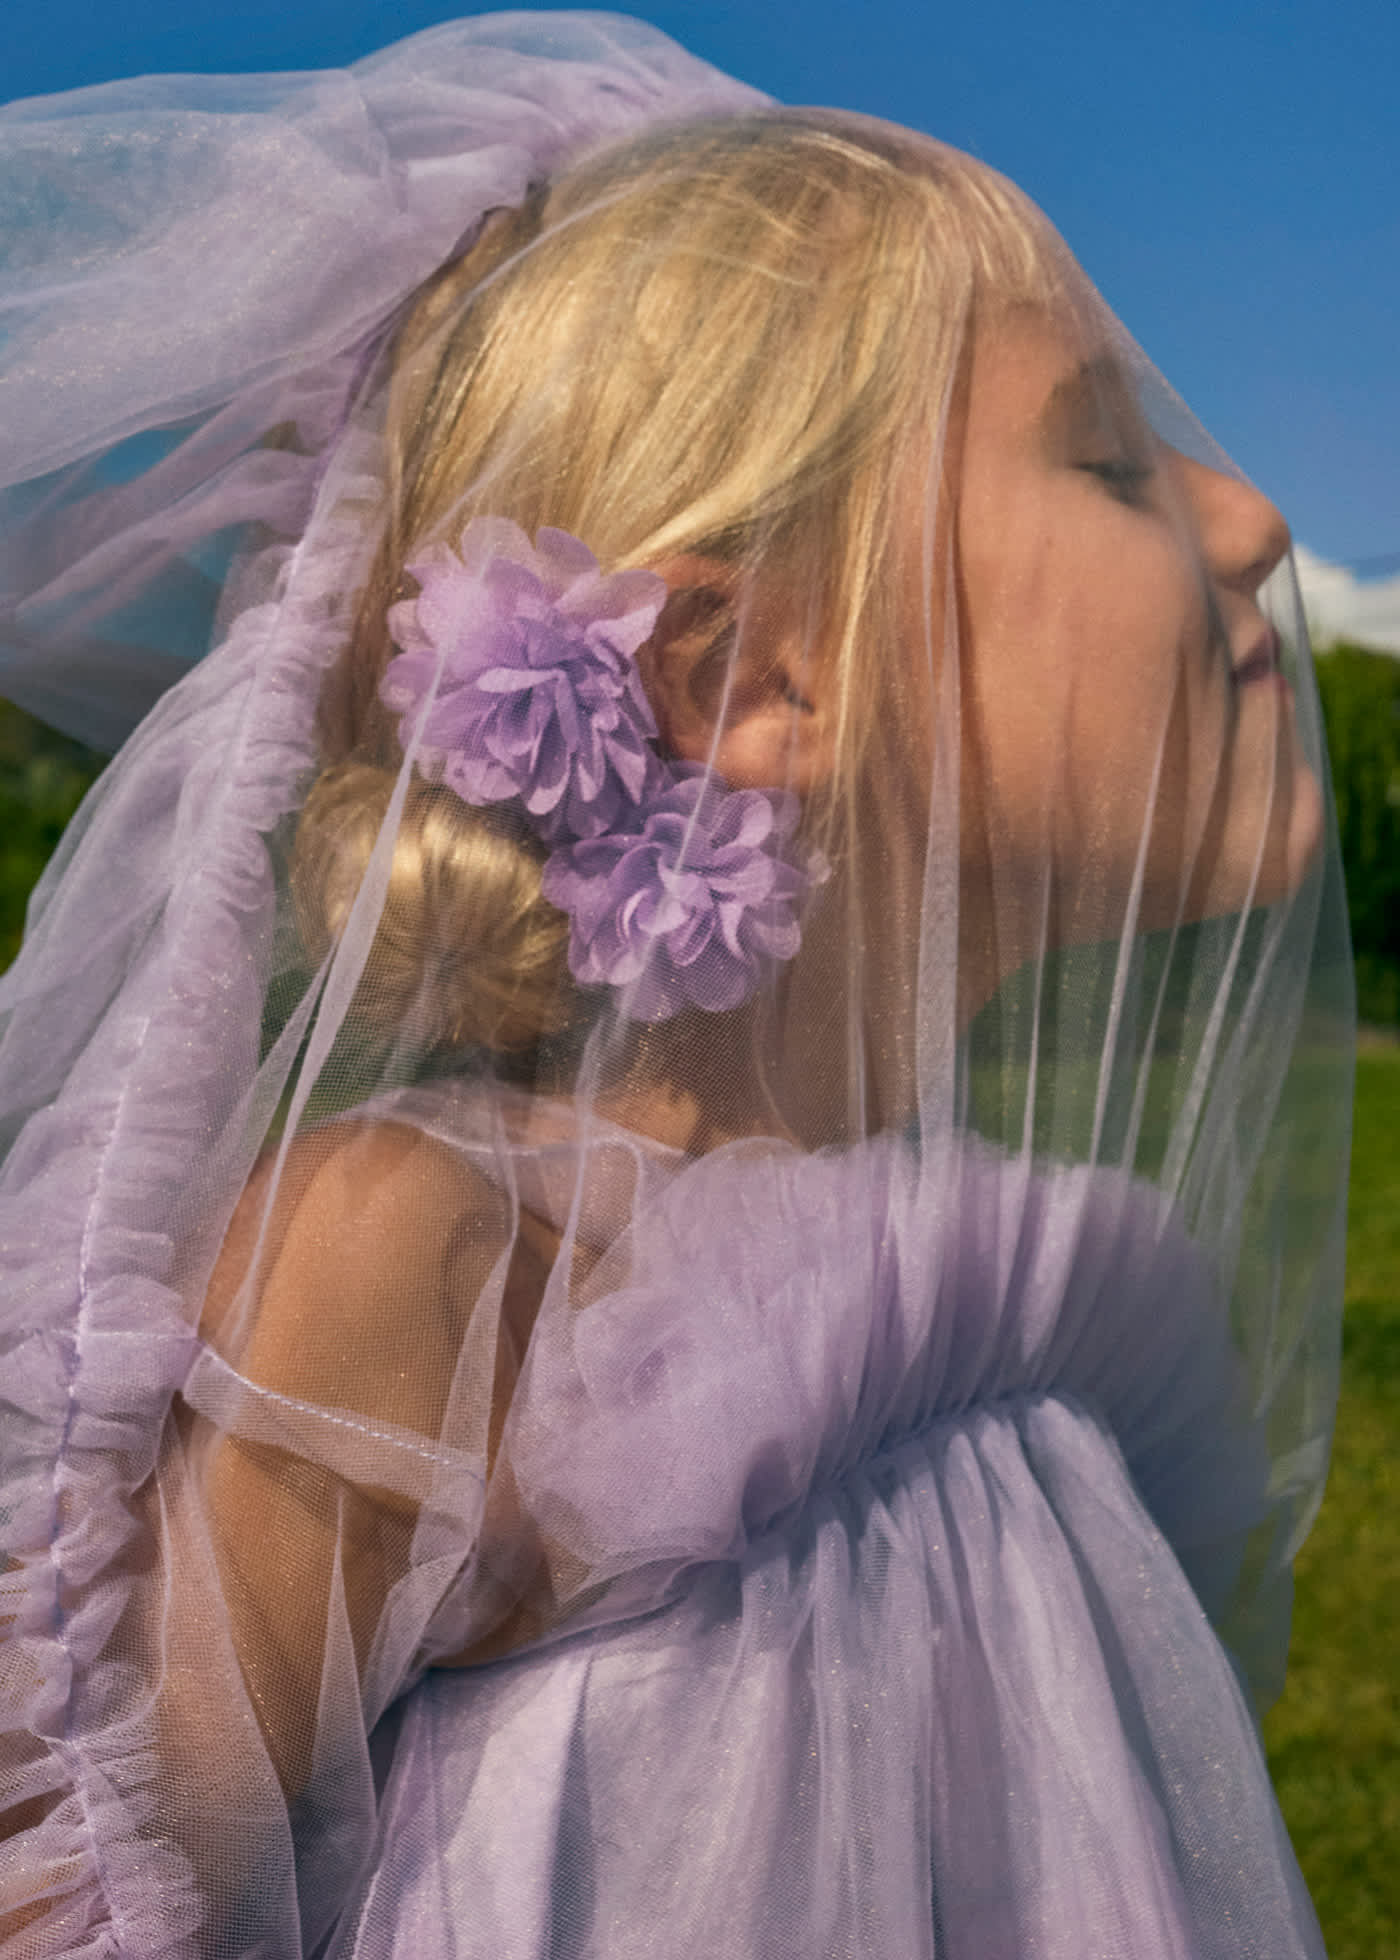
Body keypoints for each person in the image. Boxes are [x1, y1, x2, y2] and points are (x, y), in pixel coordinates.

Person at [0, 14, 1353, 1957]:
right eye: (1107, 456)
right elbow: (111, 1894)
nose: (1250, 519)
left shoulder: (1021, 1310)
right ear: (747, 685)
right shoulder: (443, 1261)